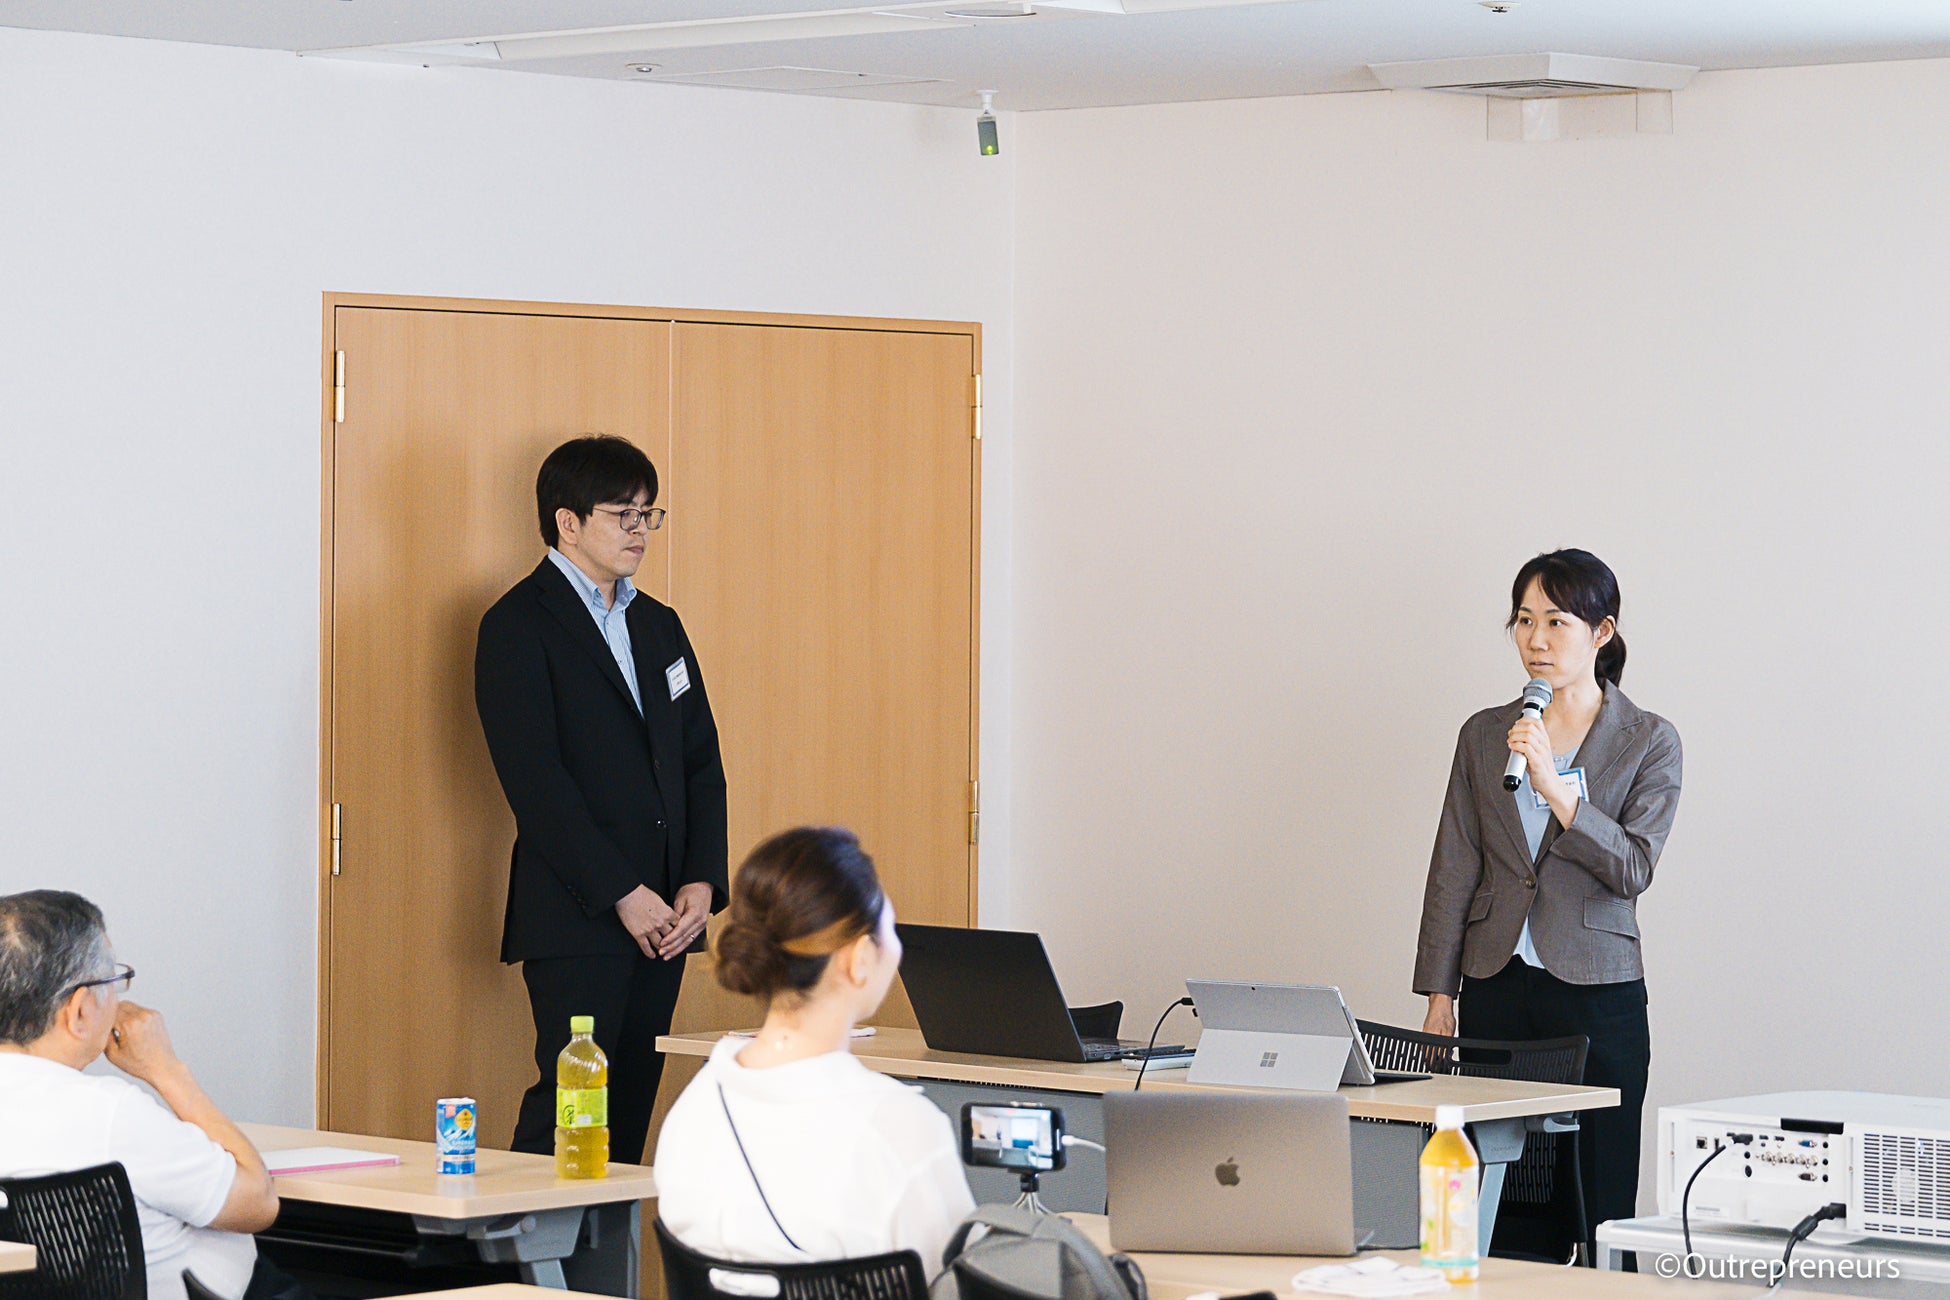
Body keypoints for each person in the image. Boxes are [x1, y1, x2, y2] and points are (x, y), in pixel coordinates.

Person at [1412, 549, 1682, 1256]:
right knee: (1499, 1194)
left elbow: (1632, 867)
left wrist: (1557, 788)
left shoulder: (1649, 740)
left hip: (1597, 993)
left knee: (1598, 1194)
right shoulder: (1484, 734)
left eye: (1556, 621)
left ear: (1601, 632)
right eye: (1524, 620)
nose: (1536, 638)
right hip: (1497, 983)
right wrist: (1440, 995)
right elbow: (1453, 867)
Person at [475, 434, 730, 1161]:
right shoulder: (517, 624)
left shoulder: (659, 624)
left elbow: (700, 761)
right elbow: (537, 784)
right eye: (624, 515)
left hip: (667, 919)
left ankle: (602, 1244)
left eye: (649, 514)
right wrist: (623, 892)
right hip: (579, 914)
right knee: (570, 1109)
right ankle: (526, 1240)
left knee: (629, 1112)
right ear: (568, 523)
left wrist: (701, 880)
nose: (640, 530)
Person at [655, 827, 974, 1275]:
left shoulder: (692, 1113)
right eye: (889, 930)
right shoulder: (903, 1129)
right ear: (858, 959)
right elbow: (955, 1281)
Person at [0, 891, 282, 1300]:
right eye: (112, 981)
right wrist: (164, 1069)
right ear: (80, 1010)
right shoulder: (108, 1112)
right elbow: (257, 1204)